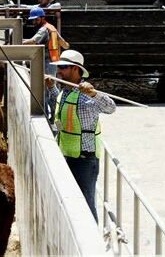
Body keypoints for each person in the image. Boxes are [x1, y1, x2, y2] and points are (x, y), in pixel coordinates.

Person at [45, 50, 116, 222]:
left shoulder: (87, 96)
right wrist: (51, 87)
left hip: (84, 159)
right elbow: (60, 103)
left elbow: (111, 108)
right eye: (58, 67)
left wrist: (94, 93)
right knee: (69, 199)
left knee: (86, 203)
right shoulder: (65, 91)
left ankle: (92, 244)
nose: (58, 71)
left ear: (76, 69)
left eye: (63, 67)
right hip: (65, 153)